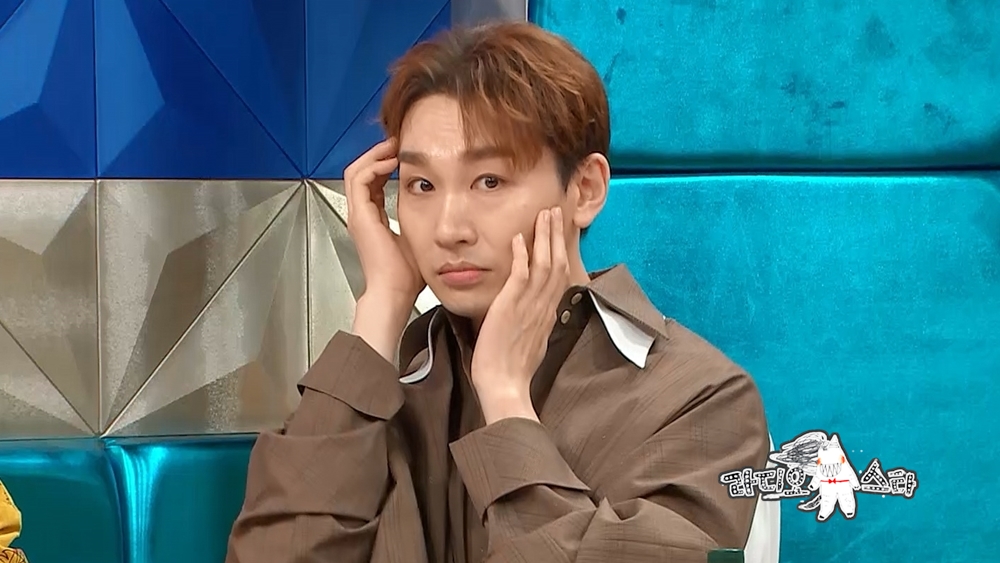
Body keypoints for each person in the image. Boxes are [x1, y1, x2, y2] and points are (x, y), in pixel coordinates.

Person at [225, 20, 771, 563]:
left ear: (584, 189)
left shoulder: (701, 399)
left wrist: (507, 400)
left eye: (489, 181)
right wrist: (381, 311)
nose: (448, 229)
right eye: (421, 185)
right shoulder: (386, 391)